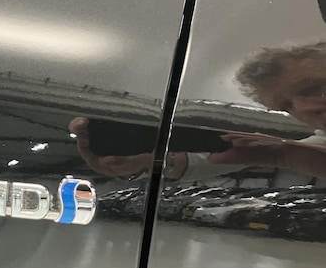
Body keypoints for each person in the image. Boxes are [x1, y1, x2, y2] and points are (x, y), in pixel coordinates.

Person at [70, 42, 326, 181]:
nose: (304, 109)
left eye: (313, 87)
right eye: (286, 106)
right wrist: (143, 161)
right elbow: (206, 163)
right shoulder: (312, 149)